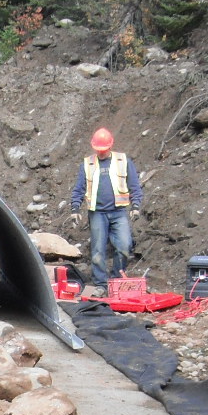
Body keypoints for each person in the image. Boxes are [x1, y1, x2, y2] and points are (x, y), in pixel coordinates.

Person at [68, 127, 143, 296]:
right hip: (97, 213)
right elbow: (79, 188)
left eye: (103, 149)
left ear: (110, 146)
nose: (101, 153)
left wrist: (136, 206)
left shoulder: (122, 161)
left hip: (119, 211)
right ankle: (100, 284)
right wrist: (75, 209)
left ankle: (117, 280)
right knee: (97, 251)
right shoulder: (88, 164)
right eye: (98, 150)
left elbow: (134, 186)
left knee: (124, 246)